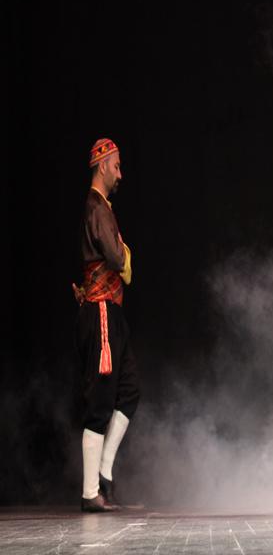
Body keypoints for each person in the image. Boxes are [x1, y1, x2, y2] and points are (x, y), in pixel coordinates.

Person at [72, 138, 139, 513]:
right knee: (100, 399)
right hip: (100, 310)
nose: (120, 173)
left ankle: (104, 475)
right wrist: (126, 254)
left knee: (129, 390)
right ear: (102, 166)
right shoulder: (96, 207)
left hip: (111, 310)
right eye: (116, 166)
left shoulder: (103, 208)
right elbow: (116, 257)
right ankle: (90, 492)